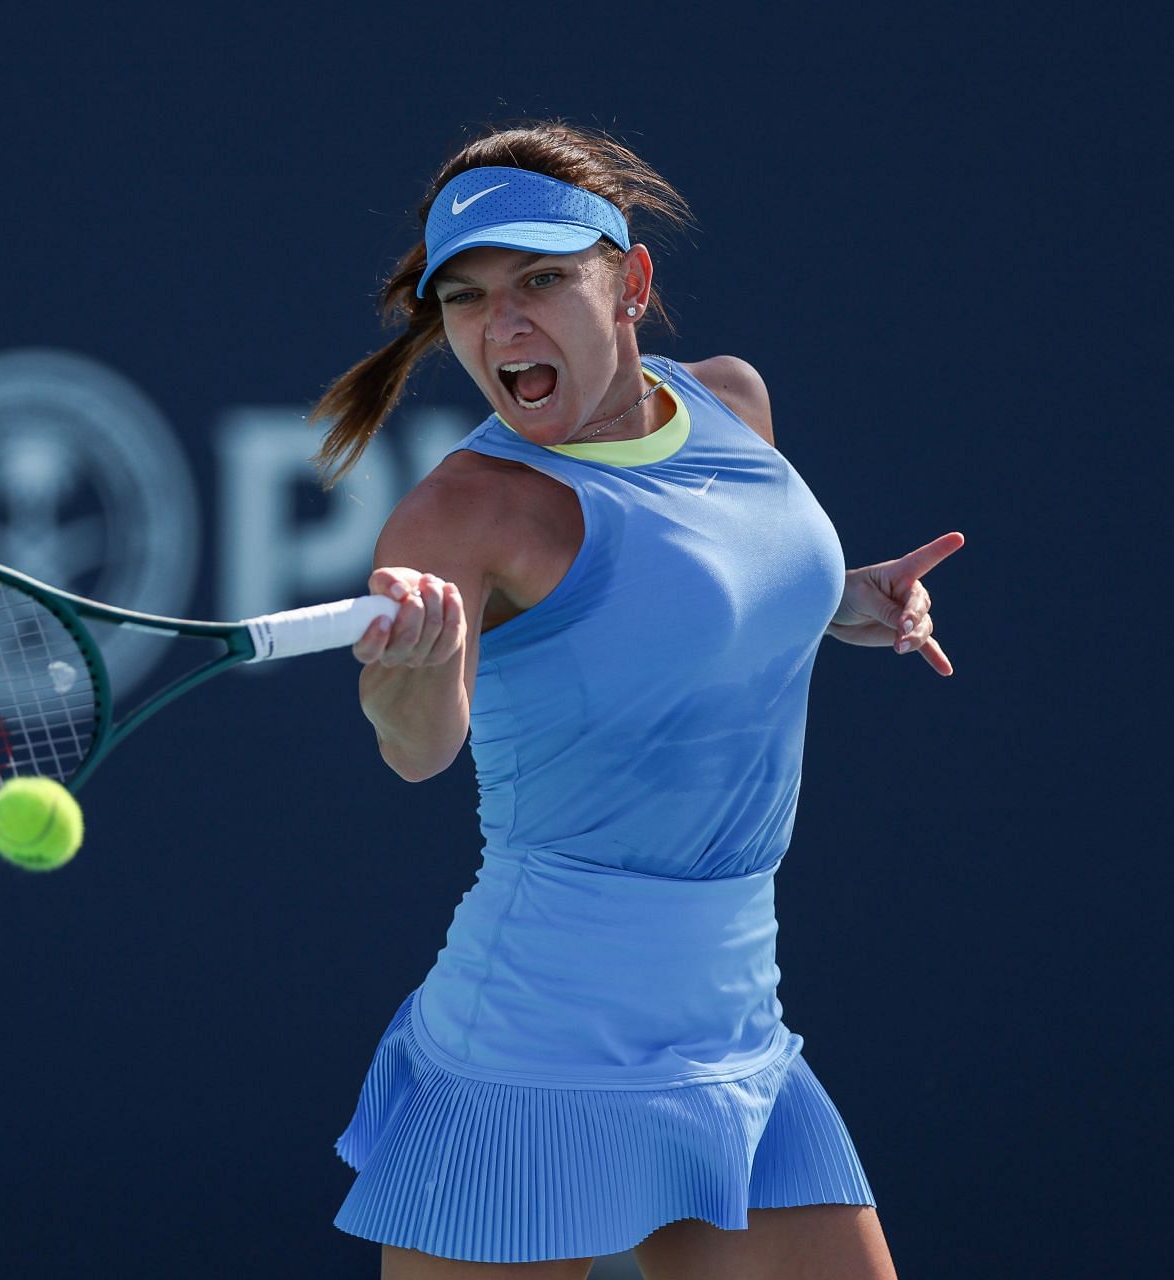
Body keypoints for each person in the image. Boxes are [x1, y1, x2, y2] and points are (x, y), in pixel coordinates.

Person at [313, 121, 962, 1279]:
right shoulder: (467, 514)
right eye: (465, 298)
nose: (503, 325)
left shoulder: (728, 400)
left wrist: (841, 598)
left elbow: (706, 596)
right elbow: (418, 751)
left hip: (732, 1027)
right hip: (534, 1043)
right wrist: (402, 674)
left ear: (632, 283)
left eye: (543, 279)